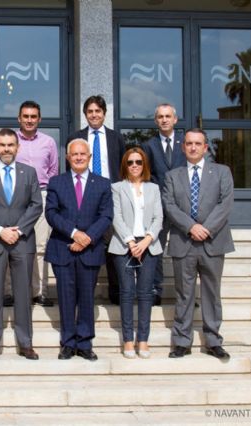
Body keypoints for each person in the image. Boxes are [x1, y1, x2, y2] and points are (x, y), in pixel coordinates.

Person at [162, 128, 234, 361]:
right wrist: (191, 227)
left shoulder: (222, 172)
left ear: (205, 147)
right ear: (183, 147)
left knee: (212, 293)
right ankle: (182, 341)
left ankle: (213, 340)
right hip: (184, 241)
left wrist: (206, 228)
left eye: (198, 143)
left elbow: (225, 203)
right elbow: (170, 205)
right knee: (184, 293)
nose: (193, 147)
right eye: (189, 143)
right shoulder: (173, 175)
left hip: (213, 241)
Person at [0, 128, 43, 361]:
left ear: (17, 147)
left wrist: (19, 230)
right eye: (1, 145)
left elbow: (35, 205)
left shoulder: (29, 173)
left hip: (22, 241)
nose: (6, 149)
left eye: (10, 145)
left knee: (24, 294)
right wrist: (1, 231)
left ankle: (26, 343)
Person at [45, 139, 113, 361]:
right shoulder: (57, 182)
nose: (79, 157)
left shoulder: (102, 184)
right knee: (65, 298)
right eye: (74, 154)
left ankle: (84, 343)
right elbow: (52, 213)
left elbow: (106, 216)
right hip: (63, 247)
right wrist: (75, 234)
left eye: (83, 154)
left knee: (86, 298)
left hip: (90, 250)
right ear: (68, 157)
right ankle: (67, 342)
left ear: (90, 157)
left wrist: (88, 238)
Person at [67, 95, 125, 305]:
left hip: (110, 196)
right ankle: (82, 294)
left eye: (97, 111)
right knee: (84, 242)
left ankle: (116, 290)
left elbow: (122, 167)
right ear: (85, 115)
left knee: (112, 243)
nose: (94, 115)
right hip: (83, 197)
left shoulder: (116, 138)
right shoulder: (76, 137)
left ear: (104, 114)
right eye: (90, 112)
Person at [108, 147, 163, 359]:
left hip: (149, 245)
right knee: (127, 292)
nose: (134, 166)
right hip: (124, 245)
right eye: (130, 162)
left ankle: (143, 340)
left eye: (138, 162)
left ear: (144, 165)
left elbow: (158, 218)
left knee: (145, 293)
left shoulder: (154, 189)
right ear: (124, 165)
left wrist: (147, 240)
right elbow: (116, 217)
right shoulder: (117, 188)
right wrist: (131, 242)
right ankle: (128, 341)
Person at [7, 100, 59, 308]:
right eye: (25, 116)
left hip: (42, 196)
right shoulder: (9, 140)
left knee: (40, 246)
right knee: (11, 243)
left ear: (39, 119)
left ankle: (39, 292)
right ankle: (10, 292)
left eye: (33, 116)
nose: (29, 120)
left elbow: (53, 172)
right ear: (19, 118)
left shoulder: (48, 142)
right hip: (13, 197)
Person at [141, 103, 186, 306]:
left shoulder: (186, 144)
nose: (164, 120)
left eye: (168, 116)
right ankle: (155, 290)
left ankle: (185, 293)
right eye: (160, 116)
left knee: (185, 251)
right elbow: (145, 176)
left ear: (175, 119)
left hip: (182, 207)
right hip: (157, 206)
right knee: (155, 248)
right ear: (156, 120)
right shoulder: (148, 146)